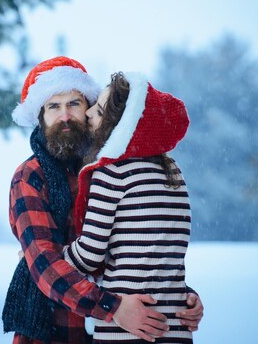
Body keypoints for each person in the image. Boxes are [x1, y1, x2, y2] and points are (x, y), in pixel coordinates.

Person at [2, 57, 203, 344]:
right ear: (40, 117)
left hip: (120, 331)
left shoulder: (109, 169)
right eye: (53, 106)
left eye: (74, 103)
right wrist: (114, 308)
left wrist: (177, 298)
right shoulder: (30, 177)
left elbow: (137, 246)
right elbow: (45, 265)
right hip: (55, 331)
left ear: (89, 108)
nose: (65, 116)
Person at [64, 71, 198, 343]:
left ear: (118, 127)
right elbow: (163, 251)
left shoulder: (112, 171)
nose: (89, 113)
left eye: (99, 112)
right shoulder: (172, 170)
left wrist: (54, 259)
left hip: (126, 327)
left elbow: (90, 254)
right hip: (175, 324)